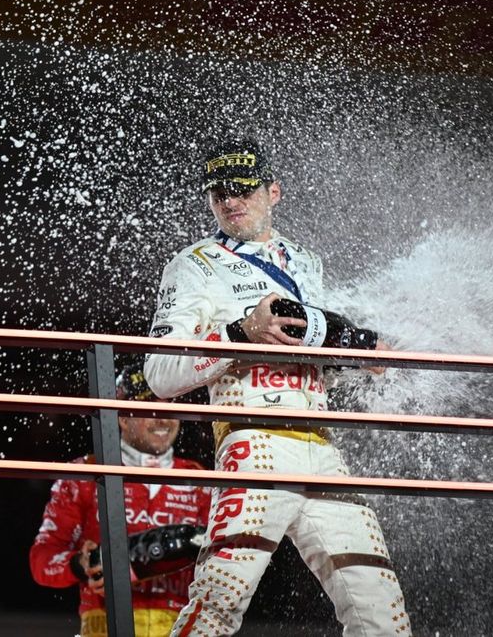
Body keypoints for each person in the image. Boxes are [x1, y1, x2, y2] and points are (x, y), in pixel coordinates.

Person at [144, 138, 411, 636]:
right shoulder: (194, 264)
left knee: (382, 611)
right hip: (255, 446)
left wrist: (361, 356)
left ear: (274, 192)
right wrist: (239, 333)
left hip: (322, 450)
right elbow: (159, 374)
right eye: (218, 193)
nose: (230, 201)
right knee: (219, 603)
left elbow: (310, 347)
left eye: (243, 189)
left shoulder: (306, 260)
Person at [29, 362, 212, 637]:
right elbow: (41, 561)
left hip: (183, 627)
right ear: (123, 418)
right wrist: (81, 564)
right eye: (150, 409)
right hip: (106, 626)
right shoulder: (85, 475)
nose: (163, 420)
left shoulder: (200, 481)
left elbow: (227, 558)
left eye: (170, 406)